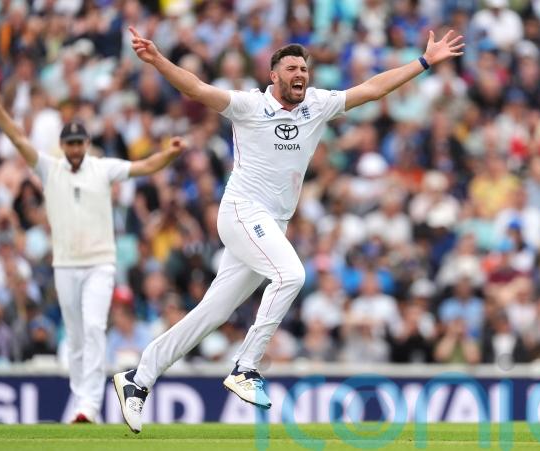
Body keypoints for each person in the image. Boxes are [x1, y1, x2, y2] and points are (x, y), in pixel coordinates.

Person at [113, 26, 464, 433]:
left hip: (271, 223)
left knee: (214, 312)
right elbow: (196, 89)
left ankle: (139, 378)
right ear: (273, 75)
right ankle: (245, 367)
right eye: (292, 69)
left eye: (304, 69)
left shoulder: (317, 104)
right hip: (242, 211)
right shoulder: (248, 105)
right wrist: (158, 60)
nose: (301, 75)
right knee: (292, 275)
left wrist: (423, 62)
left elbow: (372, 89)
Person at [0, 75, 186, 424]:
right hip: (65, 265)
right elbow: (18, 138)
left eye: (79, 143)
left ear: (87, 143)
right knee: (75, 337)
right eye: (70, 144)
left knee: (93, 327)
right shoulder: (50, 169)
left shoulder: (102, 169)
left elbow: (144, 166)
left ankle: (90, 404)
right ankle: (81, 401)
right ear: (62, 145)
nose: (74, 149)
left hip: (100, 263)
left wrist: (170, 154)